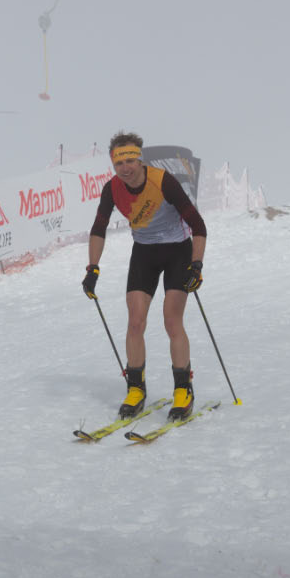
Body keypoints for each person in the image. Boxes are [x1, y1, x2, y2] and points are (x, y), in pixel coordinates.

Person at [82, 132, 207, 421]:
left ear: (140, 160)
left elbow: (198, 226)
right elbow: (98, 228)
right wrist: (92, 268)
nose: (125, 168)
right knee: (135, 322)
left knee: (171, 320)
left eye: (130, 161)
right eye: (119, 163)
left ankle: (183, 390)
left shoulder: (163, 181)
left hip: (178, 252)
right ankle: (136, 389)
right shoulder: (112, 188)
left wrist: (196, 265)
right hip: (144, 254)